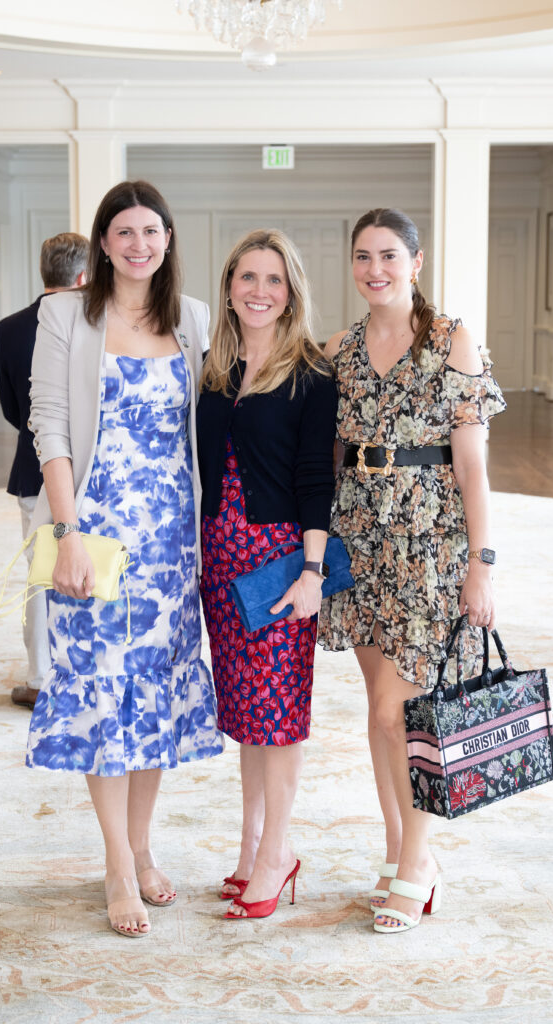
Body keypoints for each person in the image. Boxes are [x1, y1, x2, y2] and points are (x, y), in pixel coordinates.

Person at [26, 180, 224, 937]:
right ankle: (116, 863)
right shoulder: (65, 315)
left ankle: (142, 848)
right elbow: (48, 425)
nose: (139, 244)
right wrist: (67, 533)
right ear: (103, 243)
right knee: (104, 696)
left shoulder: (194, 319)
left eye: (151, 231)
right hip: (96, 537)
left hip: (172, 544)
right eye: (124, 232)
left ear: (168, 239)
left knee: (154, 697)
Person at [317, 208, 506, 934]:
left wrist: (481, 563)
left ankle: (418, 862)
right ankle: (400, 849)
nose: (375, 269)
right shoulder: (340, 350)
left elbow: (473, 465)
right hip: (360, 536)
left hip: (429, 542)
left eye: (389, 255)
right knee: (379, 710)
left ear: (416, 262)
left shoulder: (451, 340)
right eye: (363, 256)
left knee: (402, 712)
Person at [197, 229, 337, 920]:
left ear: (291, 291)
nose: (259, 291)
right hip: (218, 559)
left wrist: (312, 571)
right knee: (247, 714)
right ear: (229, 287)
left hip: (277, 560)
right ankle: (253, 845)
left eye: (273, 279)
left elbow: (316, 478)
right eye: (247, 277)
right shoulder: (213, 368)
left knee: (277, 714)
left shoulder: (310, 373)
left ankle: (278, 854)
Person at [0, 232, 89, 709]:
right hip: (89, 468)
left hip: (33, 469)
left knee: (39, 574)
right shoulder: (97, 323)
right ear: (84, 275)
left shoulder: (9, 328)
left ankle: (38, 677)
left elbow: (13, 409)